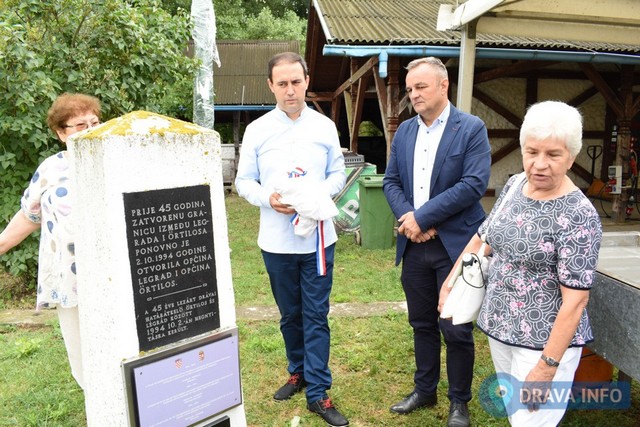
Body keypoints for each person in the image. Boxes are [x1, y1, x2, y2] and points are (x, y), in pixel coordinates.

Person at [439, 100, 602, 426]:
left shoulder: (579, 215)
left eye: (553, 154)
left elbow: (575, 300)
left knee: (532, 421)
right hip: (501, 328)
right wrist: (450, 281)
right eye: (532, 152)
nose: (539, 164)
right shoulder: (515, 185)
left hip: (543, 344)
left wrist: (547, 367)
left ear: (571, 157)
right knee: (517, 415)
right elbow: (483, 238)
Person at [234, 52, 348, 427]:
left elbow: (337, 174)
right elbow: (243, 181)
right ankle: (297, 371)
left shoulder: (324, 127)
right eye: (282, 83)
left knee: (315, 315)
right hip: (276, 242)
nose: (290, 90)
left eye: (296, 82)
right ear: (271, 85)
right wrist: (268, 198)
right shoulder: (258, 130)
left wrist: (314, 197)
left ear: (306, 81)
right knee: (290, 315)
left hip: (317, 240)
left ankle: (318, 391)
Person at [383, 57, 491, 427]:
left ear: (443, 86)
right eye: (410, 89)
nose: (413, 94)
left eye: (421, 87)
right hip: (415, 244)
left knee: (456, 326)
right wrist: (409, 219)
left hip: (456, 245)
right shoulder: (404, 131)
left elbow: (473, 184)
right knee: (422, 323)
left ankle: (459, 402)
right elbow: (391, 181)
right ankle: (424, 390)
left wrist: (423, 217)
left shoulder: (471, 128)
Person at [0, 93, 102, 390]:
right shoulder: (50, 169)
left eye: (95, 122)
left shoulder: (115, 158)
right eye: (80, 125)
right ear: (61, 133)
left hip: (110, 273)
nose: (90, 130)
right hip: (69, 276)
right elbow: (30, 215)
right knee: (81, 355)